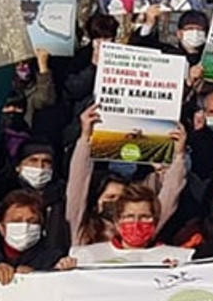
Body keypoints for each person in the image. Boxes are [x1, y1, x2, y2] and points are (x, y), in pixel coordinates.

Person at [66, 105, 186, 248]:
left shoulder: (141, 233)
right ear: (96, 204)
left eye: (122, 198)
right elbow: (77, 185)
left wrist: (178, 157)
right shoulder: (82, 233)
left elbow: (169, 197)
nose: (116, 202)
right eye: (110, 197)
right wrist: (86, 138)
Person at [0, 190, 76, 283]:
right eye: (16, 221)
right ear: (1, 228)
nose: (25, 226)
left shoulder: (52, 256)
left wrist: (40, 277)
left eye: (32, 221)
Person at [71, 183, 195, 266]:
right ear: (117, 221)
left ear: (155, 221)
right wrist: (64, 270)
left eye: (144, 217)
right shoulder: (87, 256)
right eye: (129, 217)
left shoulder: (178, 258)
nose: (136, 223)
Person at [0, 140, 69, 253]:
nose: (40, 166)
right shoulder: (4, 194)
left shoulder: (61, 196)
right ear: (18, 166)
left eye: (46, 161)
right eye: (33, 160)